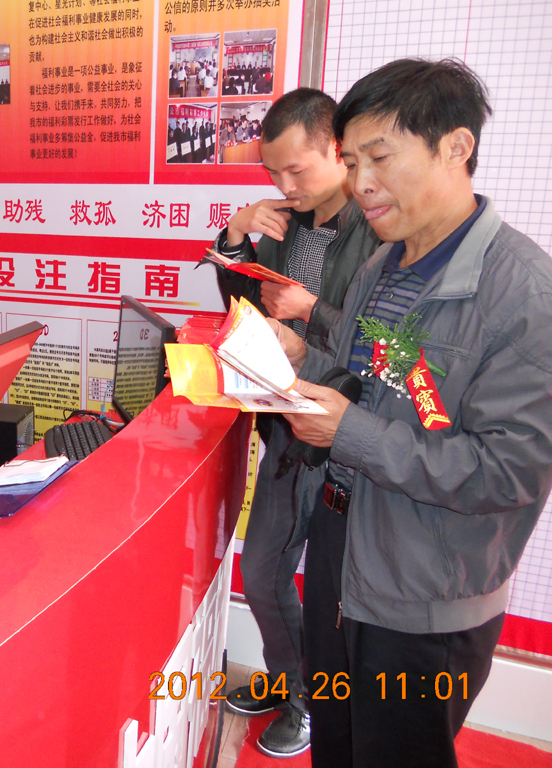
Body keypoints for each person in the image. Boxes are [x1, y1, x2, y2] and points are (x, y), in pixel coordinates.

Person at [272, 59, 552, 767]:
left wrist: (350, 432)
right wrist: (295, 361)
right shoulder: (384, 266)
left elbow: (509, 471)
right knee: (337, 744)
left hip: (423, 594)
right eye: (351, 163)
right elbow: (383, 386)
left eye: (380, 158)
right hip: (342, 553)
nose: (361, 183)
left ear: (456, 147)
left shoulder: (523, 293)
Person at [210, 88, 380, 758]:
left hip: (343, 432)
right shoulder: (289, 221)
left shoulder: (377, 229)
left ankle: (311, 704)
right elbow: (248, 304)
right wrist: (235, 238)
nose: (284, 186)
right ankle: (292, 683)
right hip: (286, 425)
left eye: (296, 170)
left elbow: (385, 346)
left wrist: (311, 312)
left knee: (330, 594)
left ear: (337, 149)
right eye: (272, 173)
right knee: (263, 569)